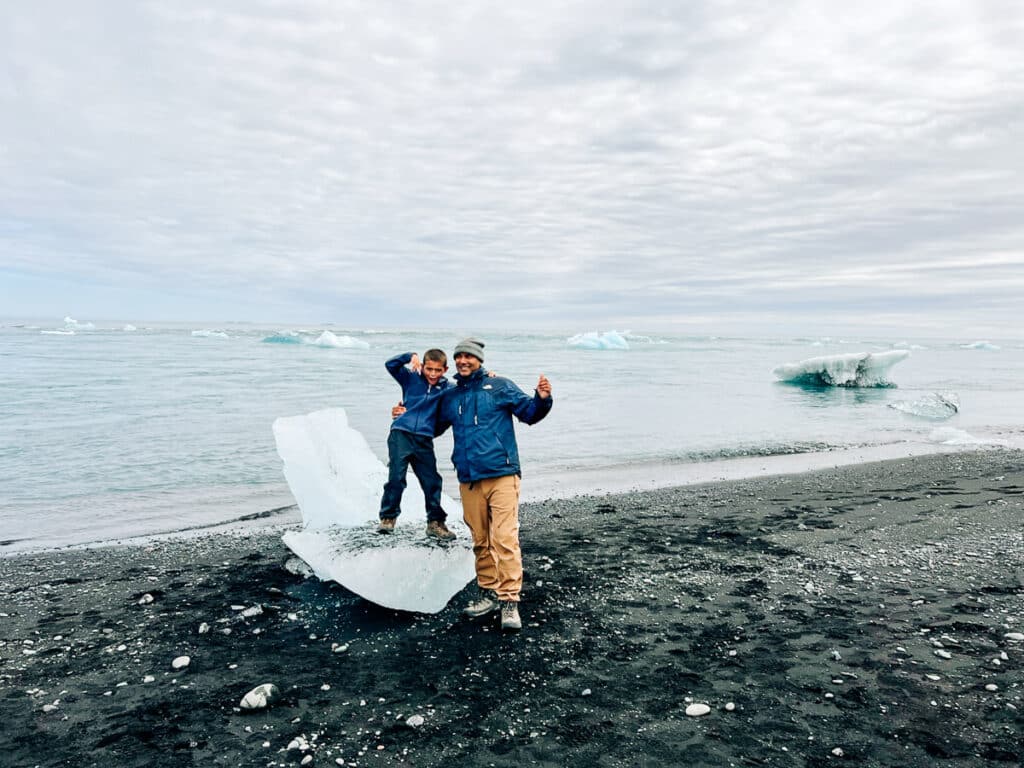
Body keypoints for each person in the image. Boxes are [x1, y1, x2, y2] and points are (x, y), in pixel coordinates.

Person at [434, 337, 553, 632]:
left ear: (479, 359)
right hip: (469, 479)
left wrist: (542, 399)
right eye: (458, 356)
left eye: (468, 357)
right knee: (480, 540)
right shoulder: (450, 396)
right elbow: (432, 426)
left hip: (502, 473)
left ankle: (509, 601)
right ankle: (487, 594)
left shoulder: (499, 386)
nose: (463, 361)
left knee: (504, 539)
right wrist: (403, 416)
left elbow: (529, 413)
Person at [378, 349, 456, 541]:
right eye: (429, 369)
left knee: (432, 481)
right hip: (401, 434)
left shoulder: (447, 388)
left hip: (424, 439)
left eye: (438, 370)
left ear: (445, 369)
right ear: (422, 366)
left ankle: (435, 523)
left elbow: (469, 386)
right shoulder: (410, 378)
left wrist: (487, 374)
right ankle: (388, 518)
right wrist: (409, 356)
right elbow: (390, 364)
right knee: (396, 476)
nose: (432, 374)